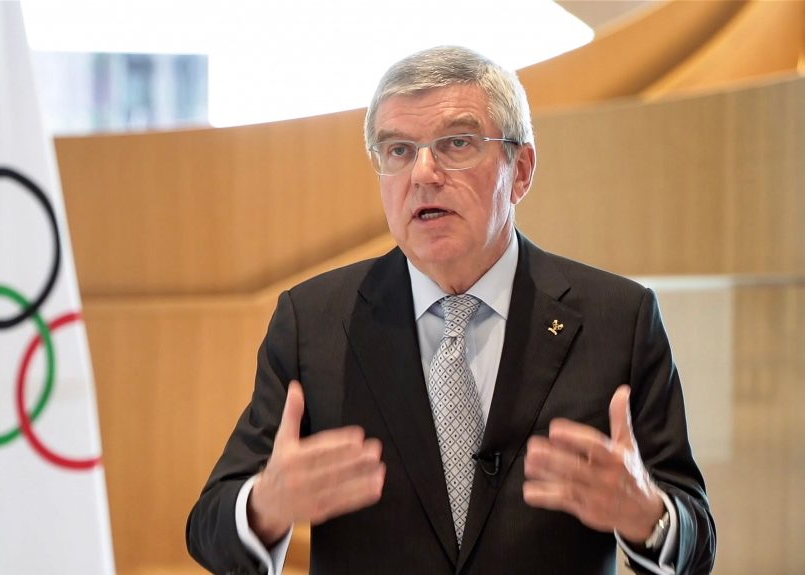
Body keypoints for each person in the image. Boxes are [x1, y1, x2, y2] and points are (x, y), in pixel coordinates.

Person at [186, 46, 716, 574]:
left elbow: (697, 539)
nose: (422, 173)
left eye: (456, 143)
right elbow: (208, 527)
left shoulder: (619, 319)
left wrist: (650, 516)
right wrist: (264, 507)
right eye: (397, 150)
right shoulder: (312, 322)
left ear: (522, 169)